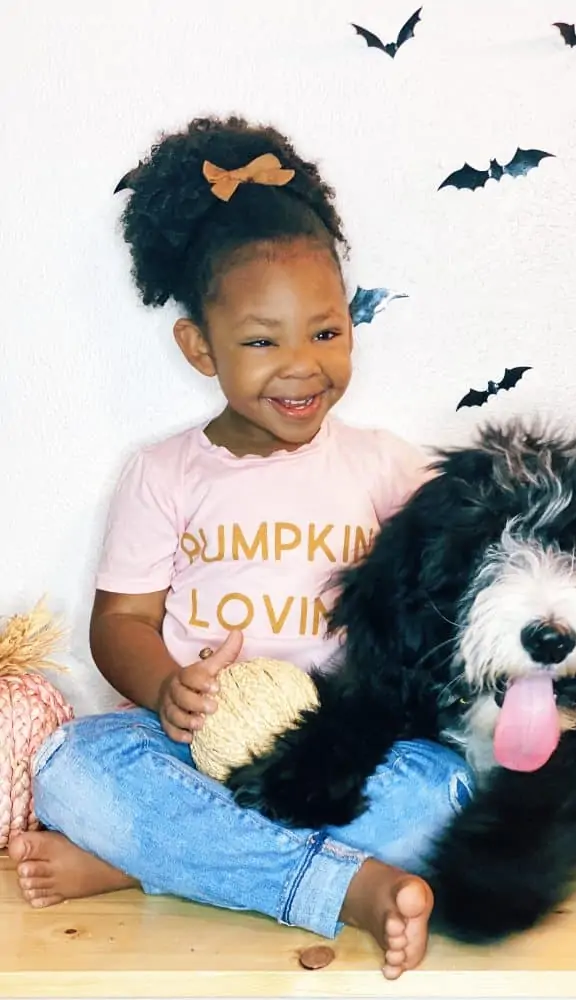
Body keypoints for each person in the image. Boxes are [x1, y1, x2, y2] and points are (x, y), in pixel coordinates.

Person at [9, 115, 474, 979]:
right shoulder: (163, 473)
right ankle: (344, 889)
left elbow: (439, 593)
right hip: (189, 748)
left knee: (448, 792)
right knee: (69, 767)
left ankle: (145, 864)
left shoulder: (384, 466)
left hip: (334, 748)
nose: (301, 366)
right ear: (199, 347)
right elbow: (122, 622)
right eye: (262, 341)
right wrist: (166, 689)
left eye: (327, 333)